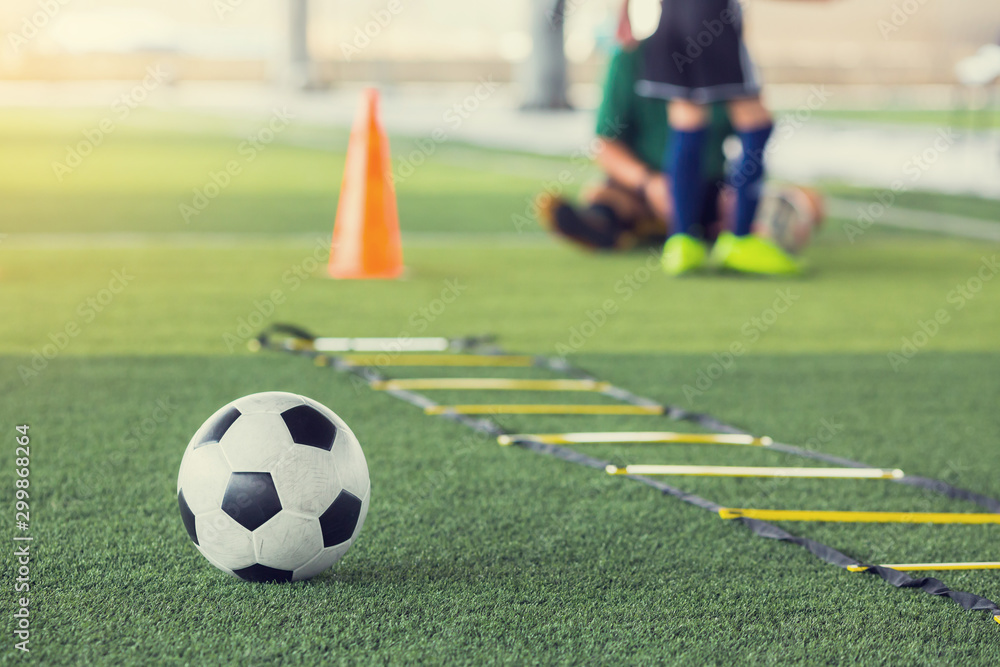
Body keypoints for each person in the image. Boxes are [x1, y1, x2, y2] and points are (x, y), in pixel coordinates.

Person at [539, 1, 823, 256]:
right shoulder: (631, 60)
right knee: (603, 193)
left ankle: (681, 235)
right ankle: (722, 235)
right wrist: (650, 184)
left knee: (804, 200)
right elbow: (605, 146)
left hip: (708, 188)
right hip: (645, 187)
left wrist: (736, 191)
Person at [640, 0, 830, 275]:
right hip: (712, 21)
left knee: (687, 122)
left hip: (672, 21)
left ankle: (682, 242)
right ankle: (740, 239)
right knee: (756, 124)